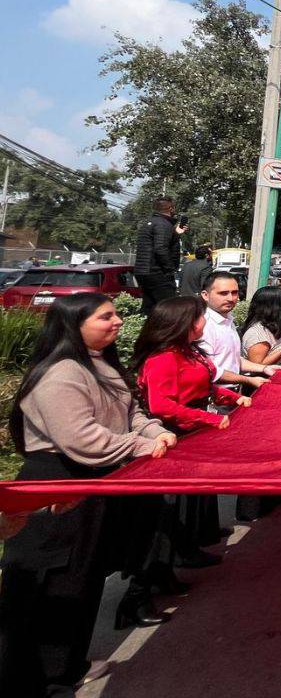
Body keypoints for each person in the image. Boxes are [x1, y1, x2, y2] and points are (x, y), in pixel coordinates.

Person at [0, 293, 175, 696]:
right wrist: (142, 446)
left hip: (94, 483)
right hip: (57, 484)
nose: (117, 322)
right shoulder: (61, 374)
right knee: (48, 587)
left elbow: (132, 414)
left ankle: (64, 669)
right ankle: (32, 680)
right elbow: (83, 440)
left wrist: (155, 432)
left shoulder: (102, 366)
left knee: (83, 579)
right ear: (73, 325)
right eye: (106, 316)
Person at [131, 296, 249, 568]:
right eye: (199, 317)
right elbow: (161, 405)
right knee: (176, 502)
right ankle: (170, 560)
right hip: (175, 434)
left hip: (194, 429)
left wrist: (233, 399)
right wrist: (207, 418)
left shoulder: (187, 351)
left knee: (194, 494)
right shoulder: (163, 357)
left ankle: (190, 544)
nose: (204, 321)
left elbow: (202, 386)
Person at [133, 197, 185, 314]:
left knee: (149, 308)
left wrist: (176, 234)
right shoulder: (163, 224)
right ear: (171, 208)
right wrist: (170, 269)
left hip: (143, 271)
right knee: (169, 309)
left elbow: (157, 243)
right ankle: (167, 332)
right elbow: (160, 248)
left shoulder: (149, 223)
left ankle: (148, 330)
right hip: (157, 272)